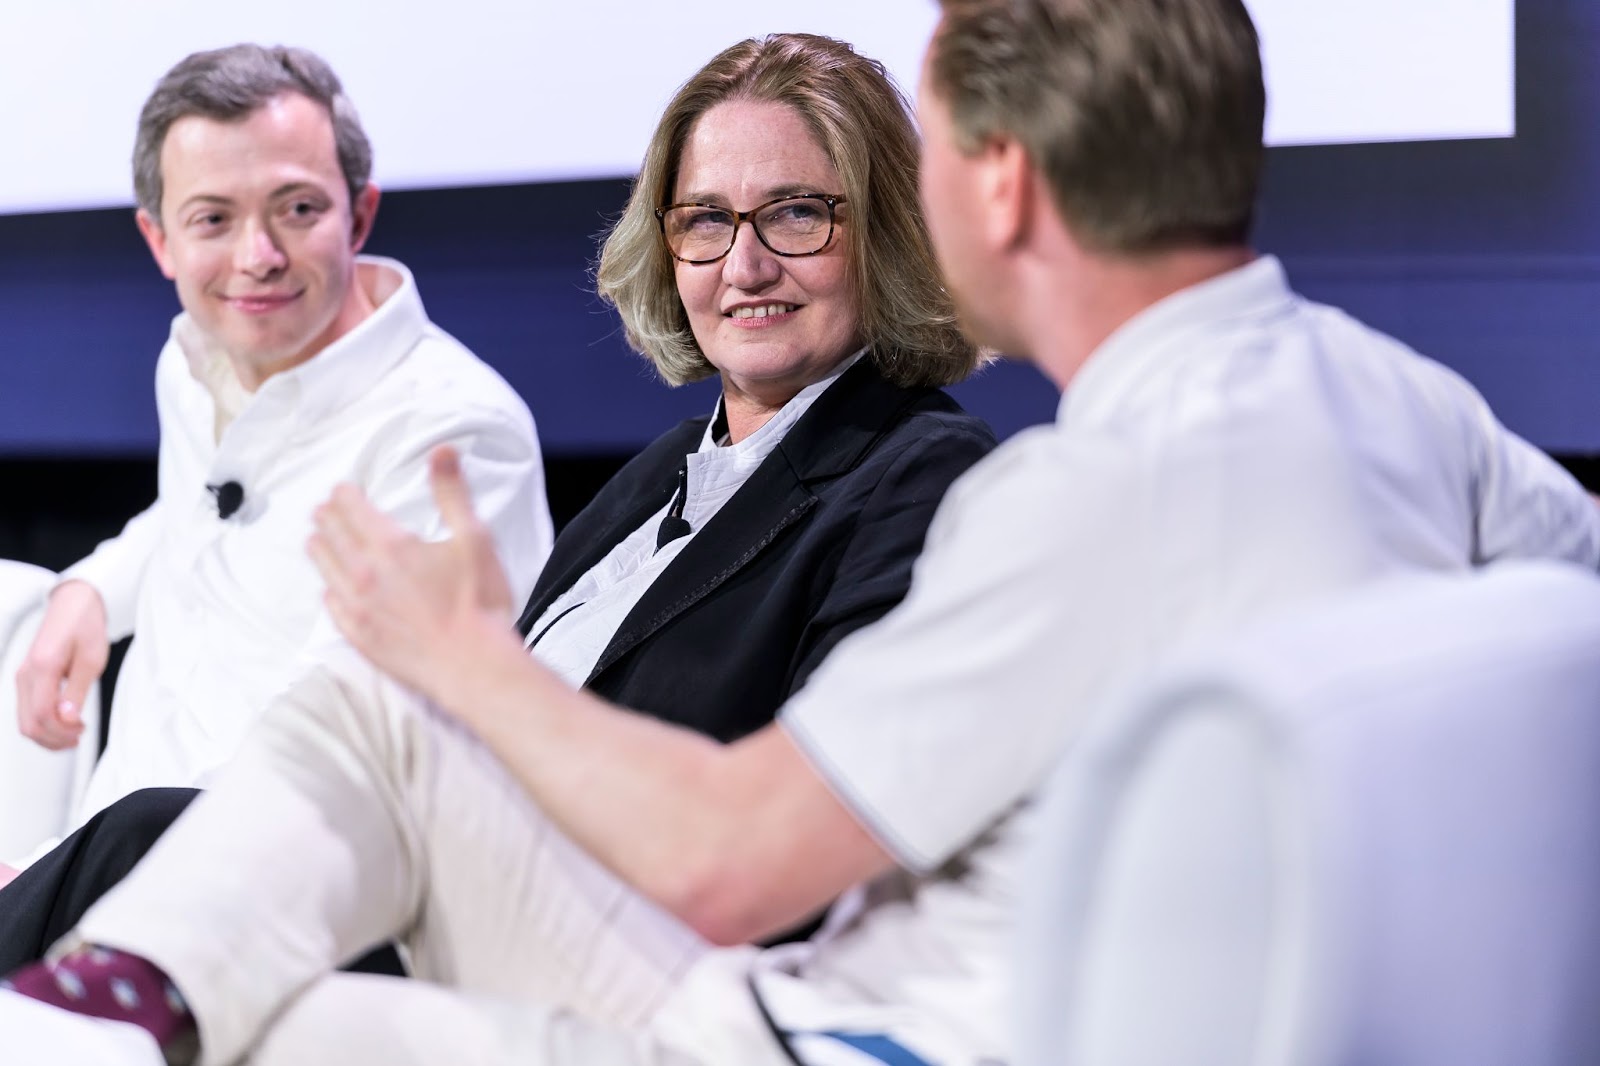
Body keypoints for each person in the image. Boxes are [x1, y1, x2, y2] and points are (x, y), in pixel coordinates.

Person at [6, 5, 1600, 1065]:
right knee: (244, 916)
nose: (747, 258)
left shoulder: (1054, 498)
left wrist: (467, 660)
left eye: (833, 197)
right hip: (843, 991)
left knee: (288, 954)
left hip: (823, 1027)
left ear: (995, 187)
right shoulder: (1414, 406)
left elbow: (733, 864)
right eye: (709, 220)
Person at [0, 31, 993, 974]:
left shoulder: (919, 477)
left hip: (582, 956)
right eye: (704, 220)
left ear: (888, 229)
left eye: (797, 214)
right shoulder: (663, 475)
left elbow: (813, 844)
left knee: (144, 849)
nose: (745, 266)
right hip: (432, 886)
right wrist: (93, 588)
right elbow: (200, 522)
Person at [1, 44, 554, 873]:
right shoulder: (196, 359)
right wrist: (91, 590)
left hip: (276, 901)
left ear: (358, 216)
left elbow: (339, 752)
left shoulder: (455, 436)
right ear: (159, 240)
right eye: (212, 219)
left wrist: (50, 883)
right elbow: (201, 513)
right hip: (106, 868)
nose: (257, 256)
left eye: (297, 209)